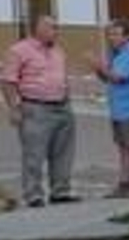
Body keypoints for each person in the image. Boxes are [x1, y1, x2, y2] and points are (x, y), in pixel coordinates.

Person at [0, 14, 77, 207]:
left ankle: (60, 191)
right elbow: (8, 81)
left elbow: (62, 77)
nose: (56, 31)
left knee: (63, 152)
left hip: (62, 106)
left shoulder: (58, 51)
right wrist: (14, 108)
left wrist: (67, 97)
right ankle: (33, 194)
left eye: (56, 27)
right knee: (34, 153)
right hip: (35, 107)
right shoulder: (19, 51)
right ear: (37, 29)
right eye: (51, 27)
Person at [93, 21, 129, 198]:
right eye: (110, 34)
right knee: (124, 148)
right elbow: (108, 78)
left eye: (116, 34)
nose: (112, 38)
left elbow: (119, 78)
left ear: (127, 36)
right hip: (120, 109)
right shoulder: (118, 54)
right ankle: (124, 184)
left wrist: (98, 65)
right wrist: (99, 70)